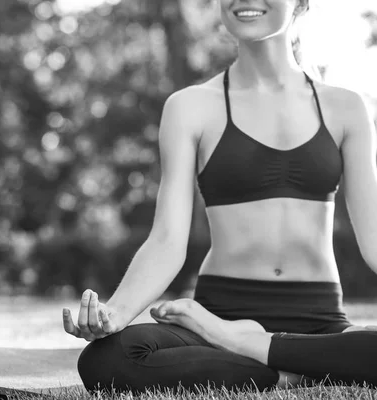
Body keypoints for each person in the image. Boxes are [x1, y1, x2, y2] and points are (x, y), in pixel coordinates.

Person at [62, 0, 377, 394]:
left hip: (319, 320)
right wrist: (117, 312)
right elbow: (167, 241)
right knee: (109, 359)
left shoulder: (346, 107)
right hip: (217, 313)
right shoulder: (190, 106)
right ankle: (289, 369)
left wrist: (240, 341)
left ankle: (249, 346)